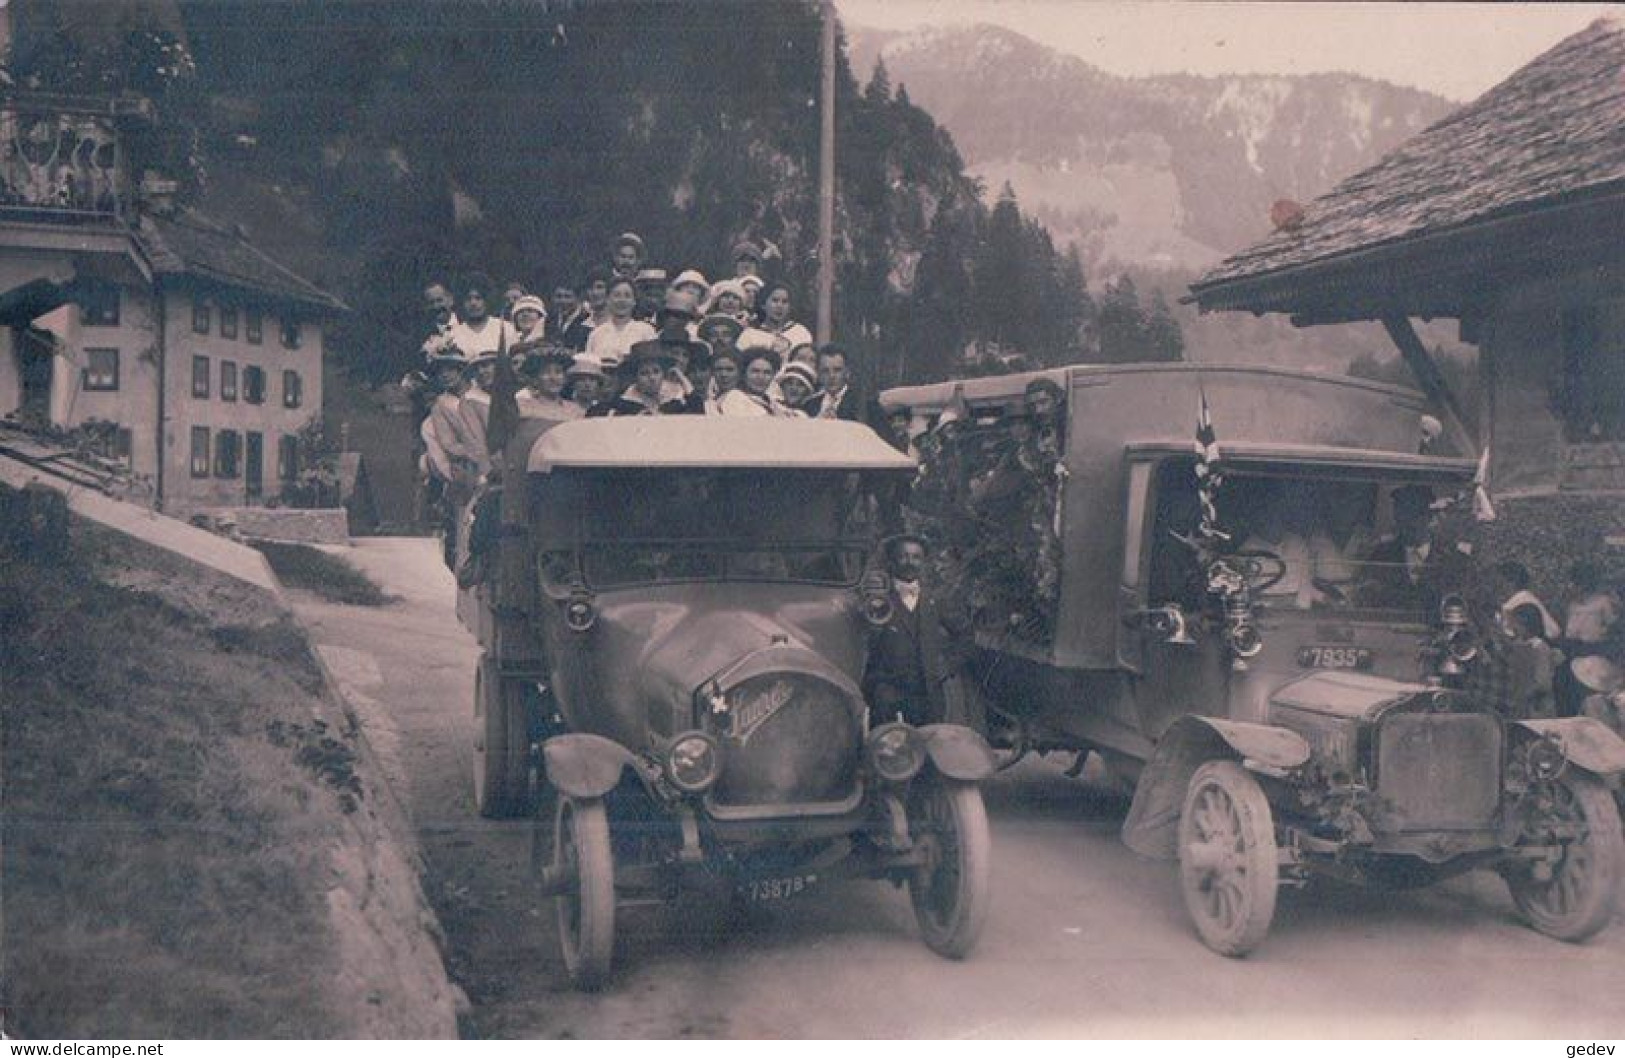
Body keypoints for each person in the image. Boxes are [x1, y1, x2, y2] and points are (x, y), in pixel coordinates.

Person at [862, 534, 964, 728]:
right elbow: (862, 638)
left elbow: (965, 635)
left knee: (932, 749)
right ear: (892, 561)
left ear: (923, 562)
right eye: (904, 556)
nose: (910, 562)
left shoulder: (935, 599)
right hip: (887, 696)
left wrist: (947, 666)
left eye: (916, 557)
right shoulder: (877, 598)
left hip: (928, 696)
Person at [1555, 561, 1621, 717]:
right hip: (1571, 651)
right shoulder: (1572, 603)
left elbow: (1612, 628)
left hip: (1594, 652)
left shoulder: (1604, 602)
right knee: (1564, 689)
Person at [588, 338, 693, 417]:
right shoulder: (621, 406)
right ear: (635, 378)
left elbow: (697, 412)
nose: (652, 378)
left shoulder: (672, 404)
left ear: (663, 375)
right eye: (644, 373)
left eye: (656, 372)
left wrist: (682, 378)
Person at [583, 276, 656, 375]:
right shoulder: (596, 334)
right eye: (616, 295)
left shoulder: (646, 331)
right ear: (608, 299)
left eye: (627, 296)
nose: (622, 300)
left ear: (634, 301)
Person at [448, 273, 514, 359]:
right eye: (468, 299)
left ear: (487, 300)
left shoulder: (505, 328)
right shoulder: (453, 334)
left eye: (478, 298)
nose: (473, 303)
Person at [740, 281, 812, 357]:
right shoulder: (749, 335)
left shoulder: (800, 332)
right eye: (775, 300)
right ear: (763, 305)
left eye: (785, 302)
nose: (780, 306)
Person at [1493, 560, 1561, 640]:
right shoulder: (1522, 596)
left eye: (1500, 581)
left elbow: (1507, 631)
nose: (1496, 585)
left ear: (1511, 582)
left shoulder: (1520, 598)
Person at [718, 349, 792, 416]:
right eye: (755, 371)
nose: (760, 377)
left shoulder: (774, 404)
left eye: (767, 373)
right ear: (744, 374)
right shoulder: (734, 398)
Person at [803, 344, 861, 420]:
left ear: (847, 372)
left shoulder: (860, 404)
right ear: (818, 374)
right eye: (825, 371)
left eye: (837, 370)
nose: (831, 376)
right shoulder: (809, 405)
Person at [549, 282, 593, 350]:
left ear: (578, 299)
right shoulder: (549, 319)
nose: (562, 301)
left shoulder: (587, 320)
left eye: (567, 297)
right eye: (558, 296)